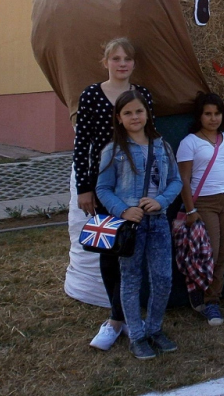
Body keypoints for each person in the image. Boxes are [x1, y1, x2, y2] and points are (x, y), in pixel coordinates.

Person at [72, 37, 153, 351]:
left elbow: (151, 138)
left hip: (137, 187)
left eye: (128, 59)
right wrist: (84, 187)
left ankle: (132, 312)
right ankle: (115, 319)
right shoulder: (92, 95)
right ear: (105, 62)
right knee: (109, 250)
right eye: (116, 58)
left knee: (135, 249)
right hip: (104, 186)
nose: (122, 64)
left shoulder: (142, 95)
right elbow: (82, 144)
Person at [96, 91, 183, 360]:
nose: (134, 117)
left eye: (139, 111)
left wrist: (161, 201)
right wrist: (123, 209)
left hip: (157, 222)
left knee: (163, 278)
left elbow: (176, 181)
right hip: (130, 227)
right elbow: (103, 188)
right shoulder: (114, 150)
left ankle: (154, 328)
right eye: (128, 113)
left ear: (147, 114)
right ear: (119, 119)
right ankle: (135, 334)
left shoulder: (162, 146)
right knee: (131, 279)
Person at [176, 92, 224, 326]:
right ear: (200, 116)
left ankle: (213, 299)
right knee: (210, 253)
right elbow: (183, 180)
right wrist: (190, 210)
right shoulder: (190, 142)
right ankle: (204, 296)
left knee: (223, 253)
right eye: (208, 114)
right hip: (203, 203)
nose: (213, 118)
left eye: (217, 113)